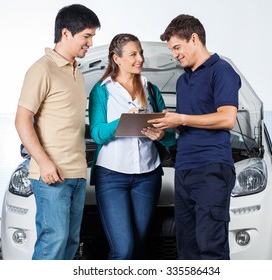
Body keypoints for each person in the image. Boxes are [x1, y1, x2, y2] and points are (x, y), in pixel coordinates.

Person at [149, 14, 241, 260]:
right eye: (172, 50)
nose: (175, 54)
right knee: (187, 249)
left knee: (211, 246)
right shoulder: (183, 81)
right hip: (185, 169)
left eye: (177, 47)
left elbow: (226, 118)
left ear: (194, 38)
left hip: (211, 169)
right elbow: (190, 123)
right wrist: (165, 130)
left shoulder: (222, 71)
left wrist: (180, 118)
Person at [14, 4, 100, 260]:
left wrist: (110, 128)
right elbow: (22, 120)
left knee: (71, 243)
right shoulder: (42, 69)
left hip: (76, 173)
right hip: (51, 176)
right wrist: (44, 163)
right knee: (54, 242)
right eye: (86, 36)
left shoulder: (78, 73)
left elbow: (68, 122)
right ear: (65, 33)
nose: (91, 42)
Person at [88, 33, 176, 259]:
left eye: (141, 53)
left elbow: (171, 137)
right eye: (133, 54)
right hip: (111, 176)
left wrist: (160, 136)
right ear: (116, 59)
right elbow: (97, 133)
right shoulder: (101, 90)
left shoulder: (151, 89)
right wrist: (124, 120)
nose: (140, 59)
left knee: (137, 248)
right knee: (123, 249)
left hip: (148, 177)